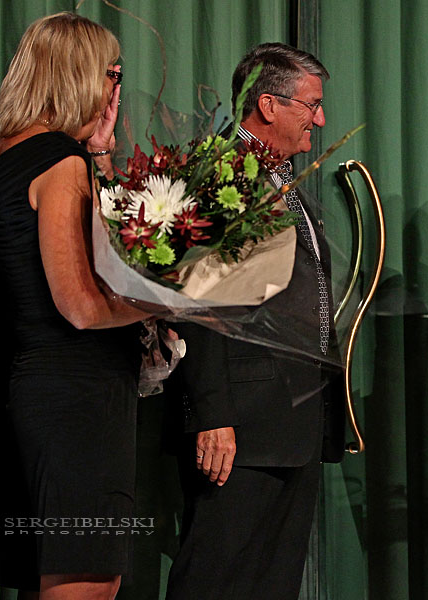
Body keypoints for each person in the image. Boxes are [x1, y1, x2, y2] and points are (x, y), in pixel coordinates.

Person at [0, 12, 149, 600]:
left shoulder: (1, 153)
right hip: (75, 403)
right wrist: (167, 306)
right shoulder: (59, 162)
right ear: (79, 75)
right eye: (112, 73)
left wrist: (97, 150)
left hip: (17, 390)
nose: (117, 87)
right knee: (87, 584)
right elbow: (79, 306)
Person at [165, 43, 344, 600]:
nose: (320, 118)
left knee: (273, 583)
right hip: (239, 429)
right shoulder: (217, 174)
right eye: (310, 105)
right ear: (268, 105)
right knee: (214, 580)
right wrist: (212, 413)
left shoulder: (284, 179)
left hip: (293, 423)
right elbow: (197, 304)